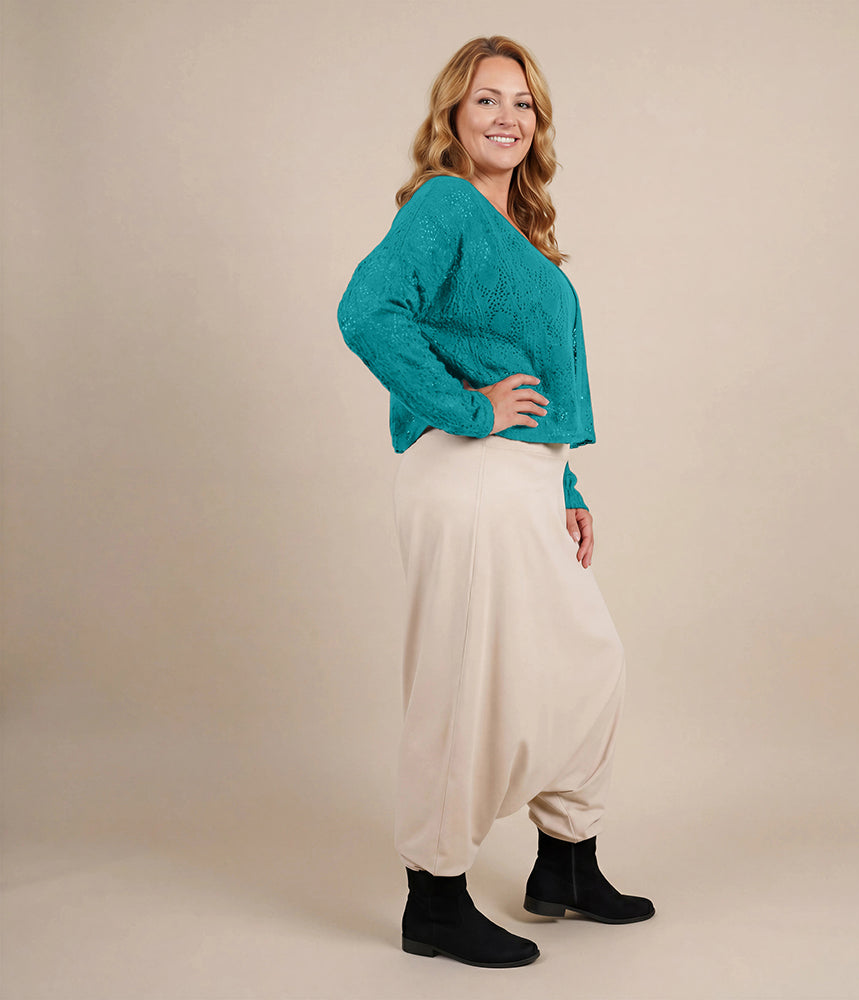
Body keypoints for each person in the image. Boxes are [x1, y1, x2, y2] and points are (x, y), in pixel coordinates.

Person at [338, 35, 653, 969]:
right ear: (453, 115)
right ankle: (434, 900)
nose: (506, 116)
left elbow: (536, 378)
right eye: (486, 99)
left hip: (523, 479)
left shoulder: (521, 231)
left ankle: (565, 868)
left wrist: (566, 482)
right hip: (467, 473)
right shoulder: (444, 205)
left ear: (537, 123)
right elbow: (367, 311)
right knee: (465, 682)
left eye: (522, 102)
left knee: (589, 664)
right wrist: (468, 409)